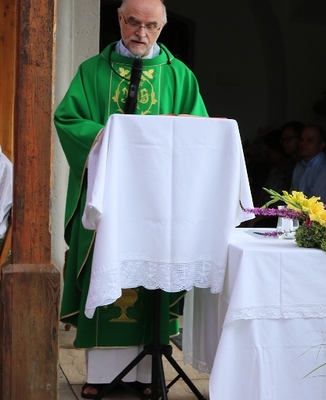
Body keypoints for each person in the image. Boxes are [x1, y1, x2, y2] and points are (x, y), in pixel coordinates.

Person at [53, 0, 208, 397]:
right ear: (120, 19)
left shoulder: (179, 75)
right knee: (104, 269)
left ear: (162, 27)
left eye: (151, 25)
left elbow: (200, 132)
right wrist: (106, 135)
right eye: (134, 22)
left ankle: (146, 375)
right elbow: (67, 119)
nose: (142, 32)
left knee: (153, 271)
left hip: (158, 204)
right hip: (108, 199)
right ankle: (100, 376)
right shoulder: (93, 71)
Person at [290, 125, 326, 204]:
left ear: (321, 145)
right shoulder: (299, 166)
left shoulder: (325, 169)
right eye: (301, 140)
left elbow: (320, 204)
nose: (303, 143)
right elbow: (290, 199)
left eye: (309, 140)